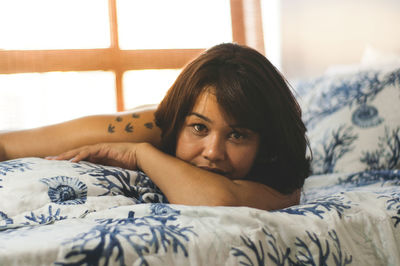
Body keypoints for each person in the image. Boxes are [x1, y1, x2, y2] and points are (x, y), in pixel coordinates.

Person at [0, 43, 310, 211]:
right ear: (178, 121)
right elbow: (10, 145)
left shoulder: (280, 171)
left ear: (266, 143)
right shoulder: (152, 125)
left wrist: (142, 155)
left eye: (237, 135)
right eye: (199, 128)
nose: (213, 152)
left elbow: (218, 202)